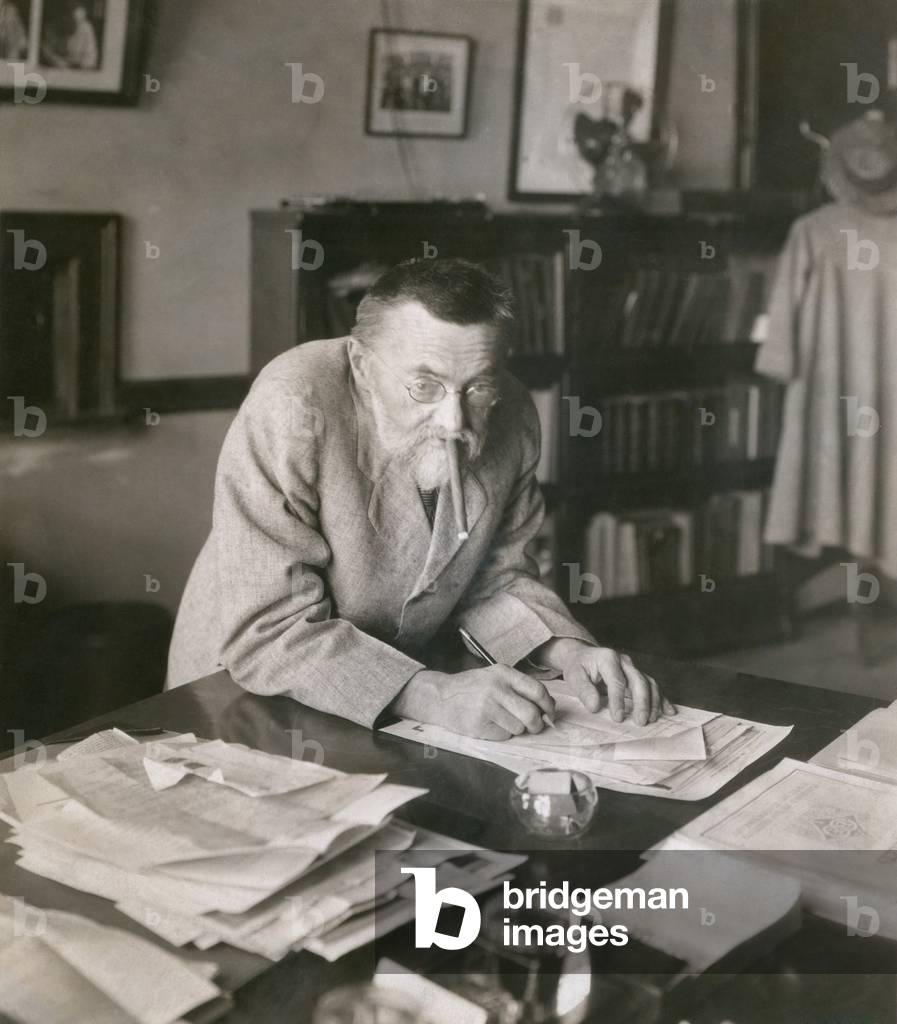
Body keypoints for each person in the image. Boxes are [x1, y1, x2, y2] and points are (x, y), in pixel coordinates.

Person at [168, 258, 674, 739]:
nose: (455, 423)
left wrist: (567, 652)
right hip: (247, 687)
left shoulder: (512, 413)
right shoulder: (293, 405)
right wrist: (430, 694)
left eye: (476, 388)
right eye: (424, 386)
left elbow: (495, 576)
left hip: (393, 690)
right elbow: (269, 628)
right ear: (362, 366)